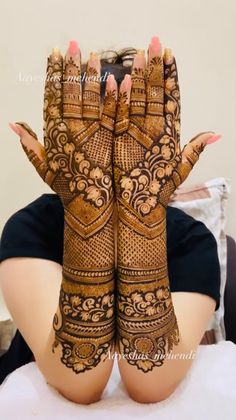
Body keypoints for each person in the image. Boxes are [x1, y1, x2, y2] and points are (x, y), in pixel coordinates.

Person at [0, 37, 221, 404]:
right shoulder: (30, 227)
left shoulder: (192, 241)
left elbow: (150, 384)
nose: (114, 142)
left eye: (133, 122)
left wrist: (138, 215)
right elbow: (78, 385)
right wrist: (91, 211)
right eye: (97, 124)